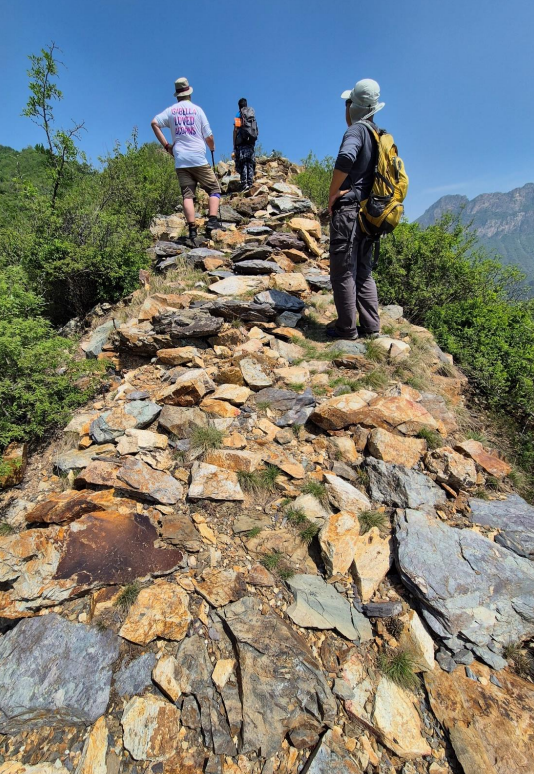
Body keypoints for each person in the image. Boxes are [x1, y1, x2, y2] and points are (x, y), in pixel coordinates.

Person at [326, 79, 385, 340]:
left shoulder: (356, 131)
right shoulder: (378, 135)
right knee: (363, 271)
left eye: (347, 103)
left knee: (343, 272)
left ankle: (346, 330)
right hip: (369, 214)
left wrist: (333, 193)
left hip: (349, 213)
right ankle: (371, 327)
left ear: (353, 106)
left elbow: (346, 158)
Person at [151, 77, 222, 243]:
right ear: (189, 93)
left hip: (181, 159)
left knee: (187, 195)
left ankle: (192, 230)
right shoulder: (197, 110)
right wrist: (212, 147)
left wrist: (167, 146)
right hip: (198, 157)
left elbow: (154, 123)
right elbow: (209, 136)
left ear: (177, 95)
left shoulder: (171, 111)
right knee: (214, 189)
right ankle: (212, 221)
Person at [233, 98, 257, 191]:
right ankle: (250, 183)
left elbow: (236, 129)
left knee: (243, 162)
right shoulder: (251, 114)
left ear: (239, 106)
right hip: (250, 141)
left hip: (242, 142)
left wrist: (234, 144)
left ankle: (244, 184)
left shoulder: (239, 114)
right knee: (250, 162)